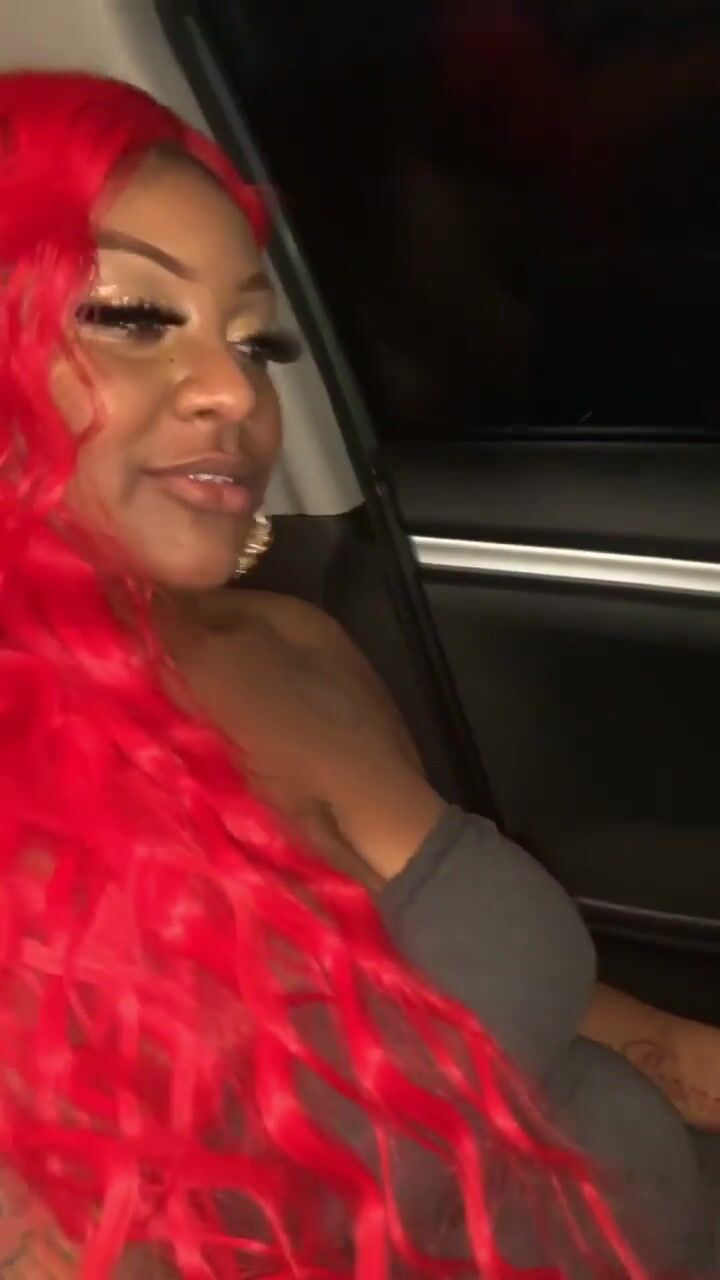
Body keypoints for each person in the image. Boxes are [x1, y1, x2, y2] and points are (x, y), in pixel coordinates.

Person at [0, 68, 716, 1280]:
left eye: (255, 339)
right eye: (133, 314)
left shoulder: (293, 646)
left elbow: (508, 1000)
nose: (238, 390)